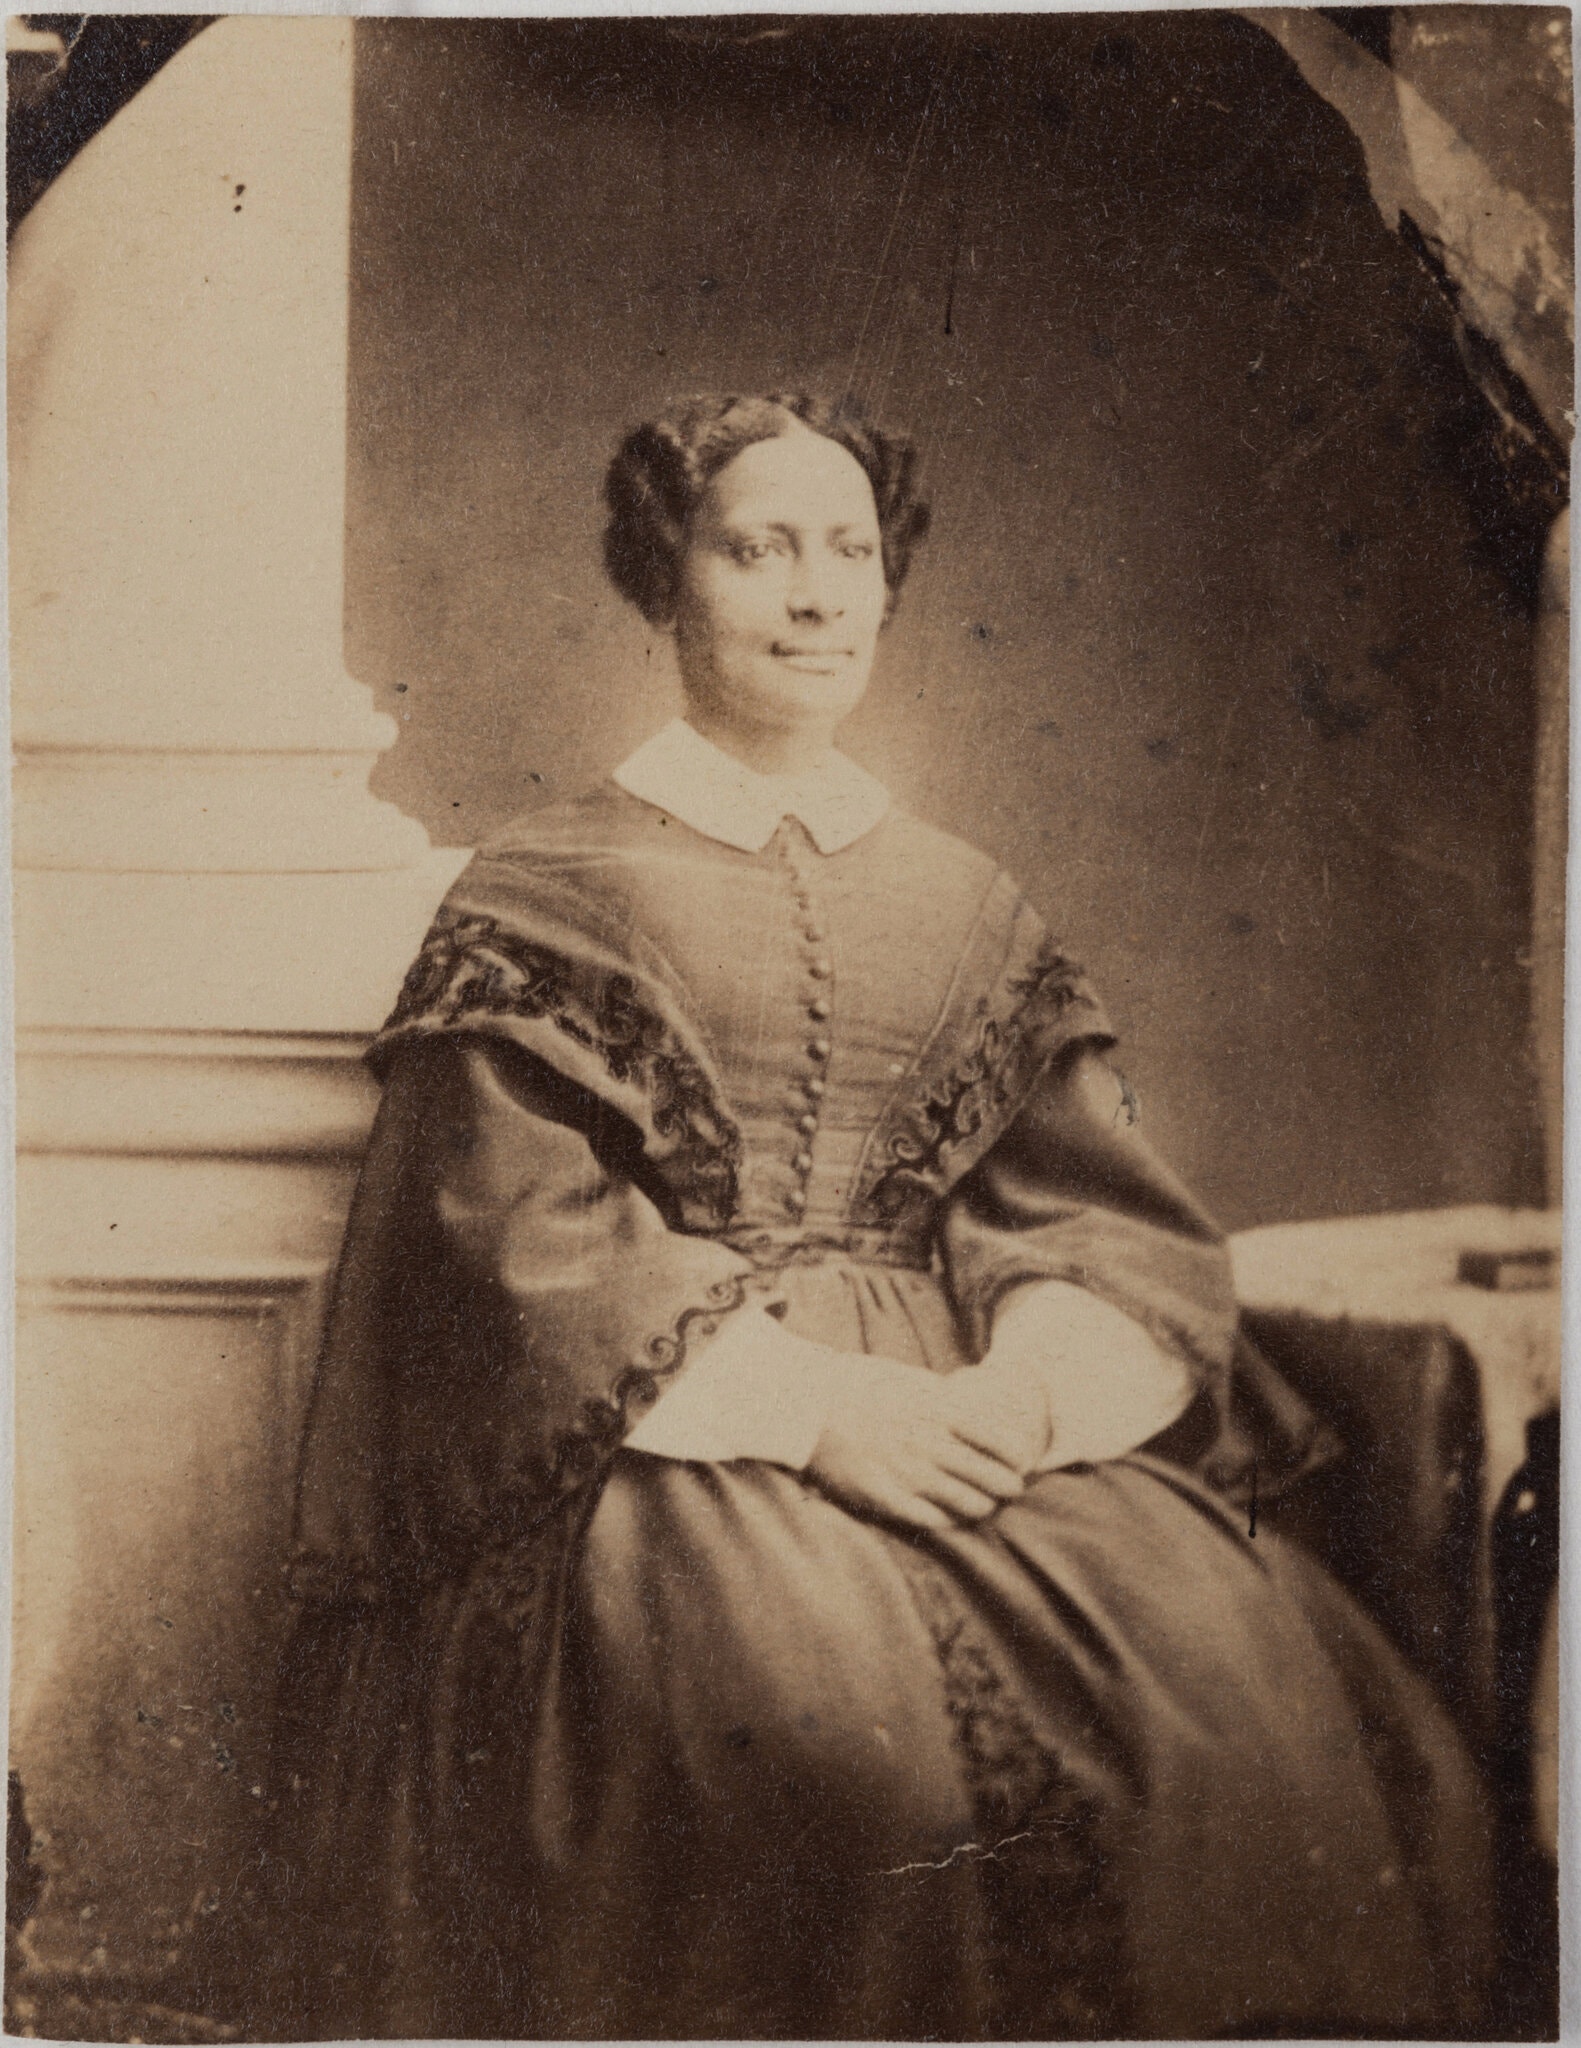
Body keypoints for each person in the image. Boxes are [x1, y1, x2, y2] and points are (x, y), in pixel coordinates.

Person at [264, 392, 1492, 2040]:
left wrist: (1024, 1393)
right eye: (756, 549)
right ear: (665, 582)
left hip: (969, 1414)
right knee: (839, 1751)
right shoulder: (543, 886)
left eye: (847, 551)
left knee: (1248, 1716)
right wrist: (821, 1414)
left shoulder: (965, 902)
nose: (814, 594)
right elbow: (506, 1236)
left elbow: (1089, 1215)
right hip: (672, 1438)